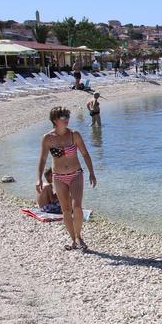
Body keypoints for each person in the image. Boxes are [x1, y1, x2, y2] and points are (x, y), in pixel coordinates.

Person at [36, 106, 98, 250]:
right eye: (63, 117)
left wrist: (92, 173)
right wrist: (38, 178)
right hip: (58, 178)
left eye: (68, 116)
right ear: (55, 120)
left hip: (76, 174)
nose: (67, 119)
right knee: (66, 210)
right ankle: (73, 240)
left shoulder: (74, 135)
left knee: (77, 207)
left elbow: (85, 154)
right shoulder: (48, 138)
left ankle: (79, 236)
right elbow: (42, 159)